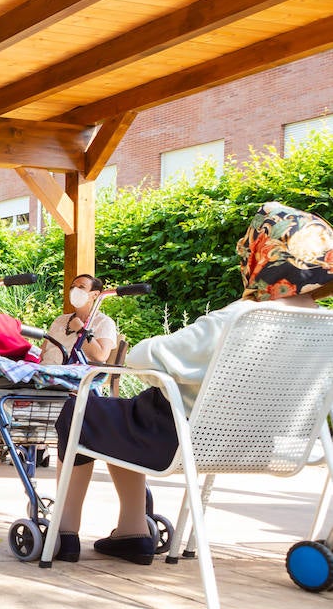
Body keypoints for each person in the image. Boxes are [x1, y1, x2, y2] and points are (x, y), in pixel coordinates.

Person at [51, 202, 333, 566]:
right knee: (123, 416)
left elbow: (142, 358)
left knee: (83, 410)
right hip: (273, 446)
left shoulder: (239, 319)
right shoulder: (325, 329)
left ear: (260, 256)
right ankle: (130, 531)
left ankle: (65, 531)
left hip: (185, 442)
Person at [38, 274, 118, 365]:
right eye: (72, 287)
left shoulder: (104, 322)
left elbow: (100, 356)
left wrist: (81, 330)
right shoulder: (60, 320)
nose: (75, 291)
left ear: (95, 294)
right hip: (44, 369)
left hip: (73, 373)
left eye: (81, 287)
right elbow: (42, 351)